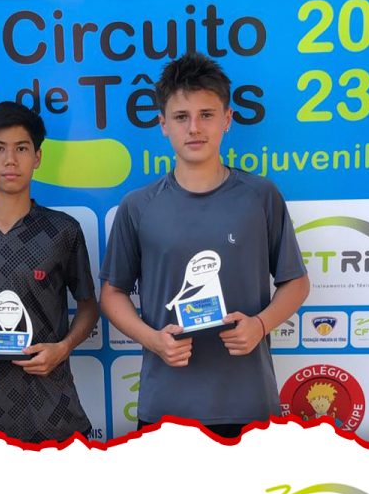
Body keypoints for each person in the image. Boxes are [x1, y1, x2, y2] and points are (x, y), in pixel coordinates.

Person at [100, 53, 309, 438]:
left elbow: (296, 282)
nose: (194, 128)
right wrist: (153, 340)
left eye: (207, 115)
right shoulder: (138, 206)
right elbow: (112, 293)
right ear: (163, 124)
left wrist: (260, 325)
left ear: (227, 119)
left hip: (249, 403)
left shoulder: (260, 196)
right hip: (166, 406)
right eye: (181, 117)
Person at [0, 101, 98, 443]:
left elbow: (88, 307)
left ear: (37, 157)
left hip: (54, 412)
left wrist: (63, 348)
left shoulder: (63, 230)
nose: (10, 160)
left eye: (22, 149)